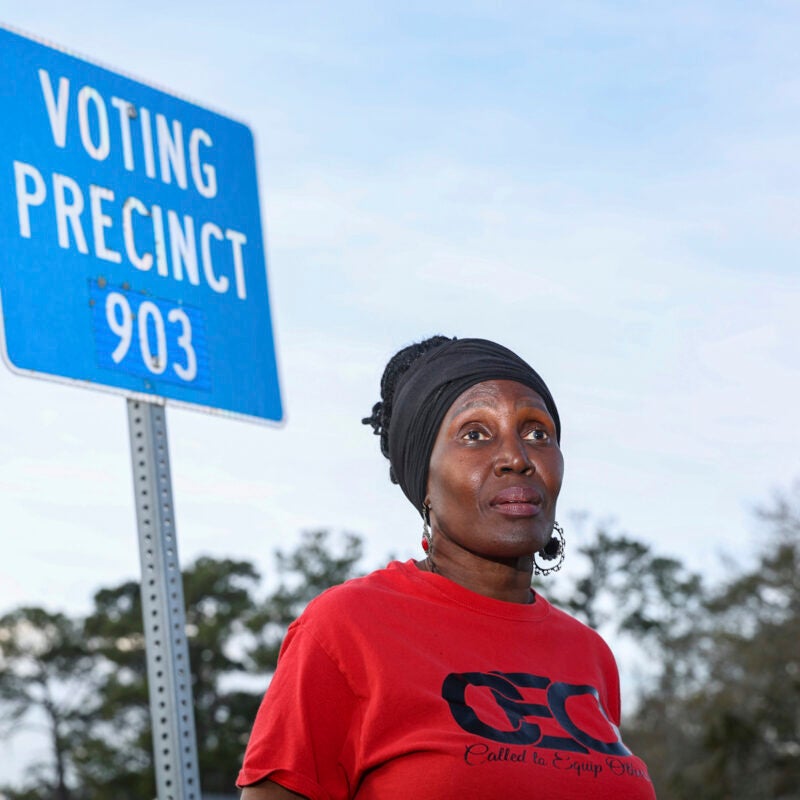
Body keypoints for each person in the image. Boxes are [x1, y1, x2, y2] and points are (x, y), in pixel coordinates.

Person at [237, 336, 657, 799]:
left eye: (537, 433)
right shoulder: (346, 629)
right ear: (425, 484)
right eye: (475, 434)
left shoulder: (590, 655)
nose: (517, 458)